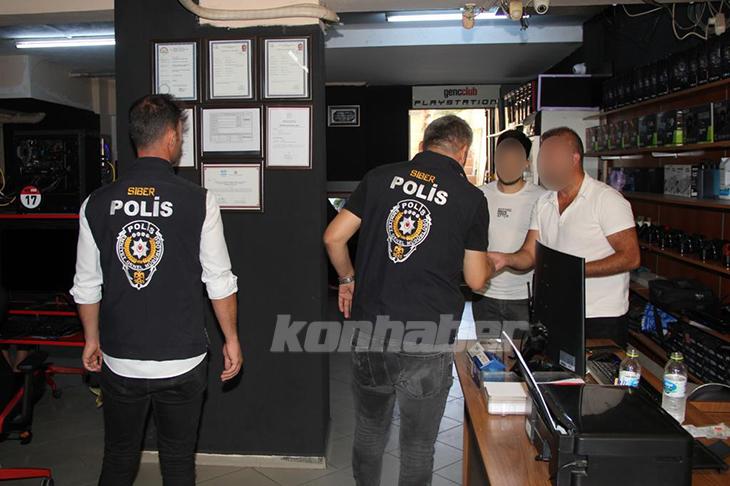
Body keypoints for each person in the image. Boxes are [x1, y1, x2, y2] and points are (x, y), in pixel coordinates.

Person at [70, 94, 243, 486]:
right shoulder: (199, 201)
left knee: (118, 457)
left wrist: (91, 338)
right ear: (171, 136)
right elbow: (219, 280)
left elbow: (86, 284)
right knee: (178, 461)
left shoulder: (95, 203)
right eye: (180, 133)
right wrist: (231, 338)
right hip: (182, 360)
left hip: (120, 359)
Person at [323, 115, 494, 486]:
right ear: (464, 152)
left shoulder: (380, 177)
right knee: (417, 444)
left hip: (372, 328)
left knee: (370, 428)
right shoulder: (470, 198)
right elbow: (476, 280)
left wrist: (347, 279)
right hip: (428, 334)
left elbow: (333, 238)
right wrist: (492, 263)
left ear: (422, 145)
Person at [488, 126, 640, 347]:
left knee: (598, 370)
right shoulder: (544, 202)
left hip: (599, 316)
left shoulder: (606, 200)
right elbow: (529, 254)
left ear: (574, 158)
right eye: (542, 158)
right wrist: (505, 259)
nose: (544, 166)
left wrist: (573, 271)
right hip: (555, 312)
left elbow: (631, 257)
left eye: (551, 158)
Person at [472, 130, 545, 338]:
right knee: (486, 354)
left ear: (526, 164)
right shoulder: (478, 195)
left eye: (514, 161)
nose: (508, 165)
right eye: (503, 159)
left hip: (522, 297)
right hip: (484, 294)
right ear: (495, 160)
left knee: (520, 355)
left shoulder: (542, 198)